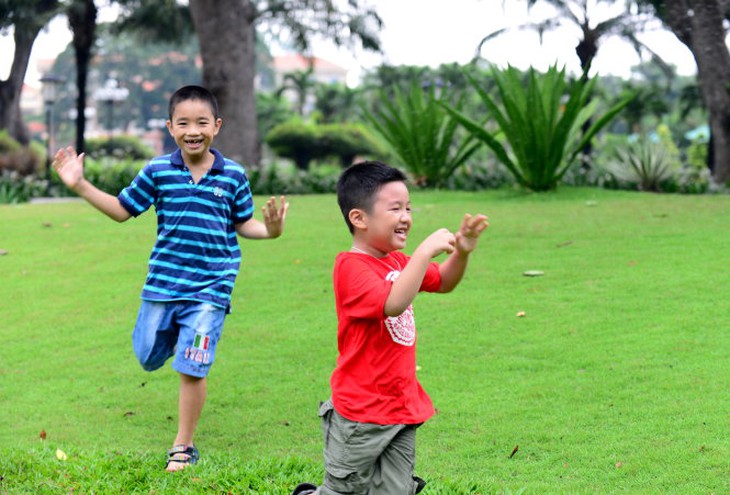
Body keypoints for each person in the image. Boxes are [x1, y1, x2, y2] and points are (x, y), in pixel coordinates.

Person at [52, 85, 289, 472]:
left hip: (211, 289)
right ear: (169, 127)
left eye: (201, 122)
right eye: (183, 123)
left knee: (192, 366)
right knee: (146, 355)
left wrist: (273, 231)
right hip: (162, 285)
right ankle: (179, 343)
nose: (192, 130)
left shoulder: (233, 176)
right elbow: (121, 210)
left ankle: (183, 445)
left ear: (217, 125)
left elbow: (245, 225)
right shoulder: (158, 171)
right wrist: (79, 184)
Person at [293, 161, 488, 495]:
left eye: (409, 207)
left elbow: (443, 282)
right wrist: (424, 252)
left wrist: (463, 254)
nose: (406, 217)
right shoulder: (350, 267)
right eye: (395, 208)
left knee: (396, 490)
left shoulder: (398, 261)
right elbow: (392, 303)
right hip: (360, 412)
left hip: (400, 404)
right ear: (359, 218)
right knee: (346, 491)